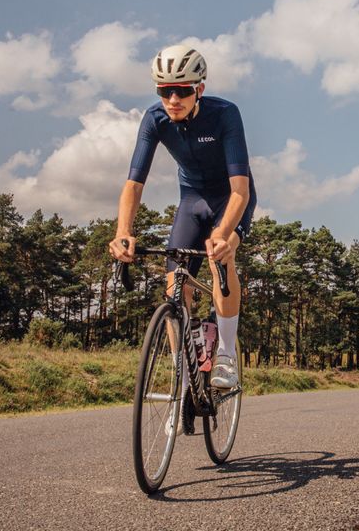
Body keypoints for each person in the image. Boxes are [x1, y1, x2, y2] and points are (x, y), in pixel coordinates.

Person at [109, 44, 256, 390]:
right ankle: (183, 372)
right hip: (191, 200)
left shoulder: (225, 115)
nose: (173, 99)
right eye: (164, 91)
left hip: (231, 198)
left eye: (183, 90)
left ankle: (225, 353)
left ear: (199, 89)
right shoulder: (154, 120)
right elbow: (133, 184)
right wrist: (123, 232)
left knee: (222, 259)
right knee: (175, 284)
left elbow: (241, 191)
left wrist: (223, 234)